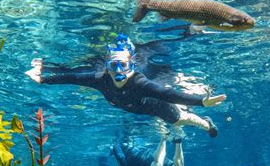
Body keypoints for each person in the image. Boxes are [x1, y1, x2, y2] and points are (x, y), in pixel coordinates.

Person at [25, 34, 226, 137]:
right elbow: (72, 77)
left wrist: (201, 101)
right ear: (107, 66)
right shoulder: (99, 79)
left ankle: (207, 123)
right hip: (132, 107)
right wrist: (43, 78)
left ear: (131, 65)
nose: (119, 70)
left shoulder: (138, 82)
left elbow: (168, 94)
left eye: (124, 65)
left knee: (180, 120)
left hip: (156, 107)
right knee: (178, 120)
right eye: (114, 65)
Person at [112, 136, 185, 166]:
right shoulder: (133, 147)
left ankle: (163, 138)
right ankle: (178, 142)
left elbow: (121, 157)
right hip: (148, 154)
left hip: (144, 158)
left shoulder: (117, 145)